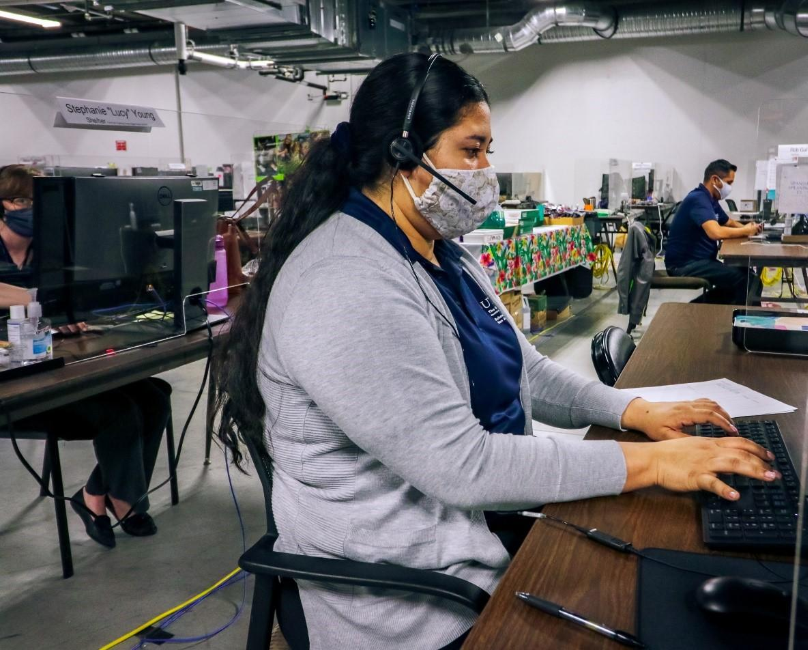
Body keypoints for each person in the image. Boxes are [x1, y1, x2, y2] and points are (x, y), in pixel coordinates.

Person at [214, 53, 777, 650]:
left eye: (489, 150)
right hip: (414, 591)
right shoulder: (345, 281)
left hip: (481, 527)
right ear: (403, 154)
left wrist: (632, 411)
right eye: (471, 150)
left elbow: (526, 373)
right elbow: (464, 466)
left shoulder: (446, 256)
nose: (486, 171)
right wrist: (657, 464)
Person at [0, 164, 170, 548]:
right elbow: (32, 299)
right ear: (4, 204)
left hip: (53, 364)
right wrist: (41, 302)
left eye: (39, 201)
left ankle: (96, 493)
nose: (33, 209)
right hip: (15, 387)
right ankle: (122, 501)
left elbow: (78, 294)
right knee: (121, 411)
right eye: (23, 200)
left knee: (154, 397)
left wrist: (71, 313)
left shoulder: (52, 247)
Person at [665, 160, 763, 305]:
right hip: (684, 265)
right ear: (715, 180)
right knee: (748, 281)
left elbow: (728, 222)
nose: (730, 187)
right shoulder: (698, 199)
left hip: (700, 261)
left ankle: (699, 309)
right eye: (729, 182)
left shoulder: (710, 199)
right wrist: (745, 231)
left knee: (748, 279)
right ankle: (743, 325)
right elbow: (715, 233)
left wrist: (748, 227)